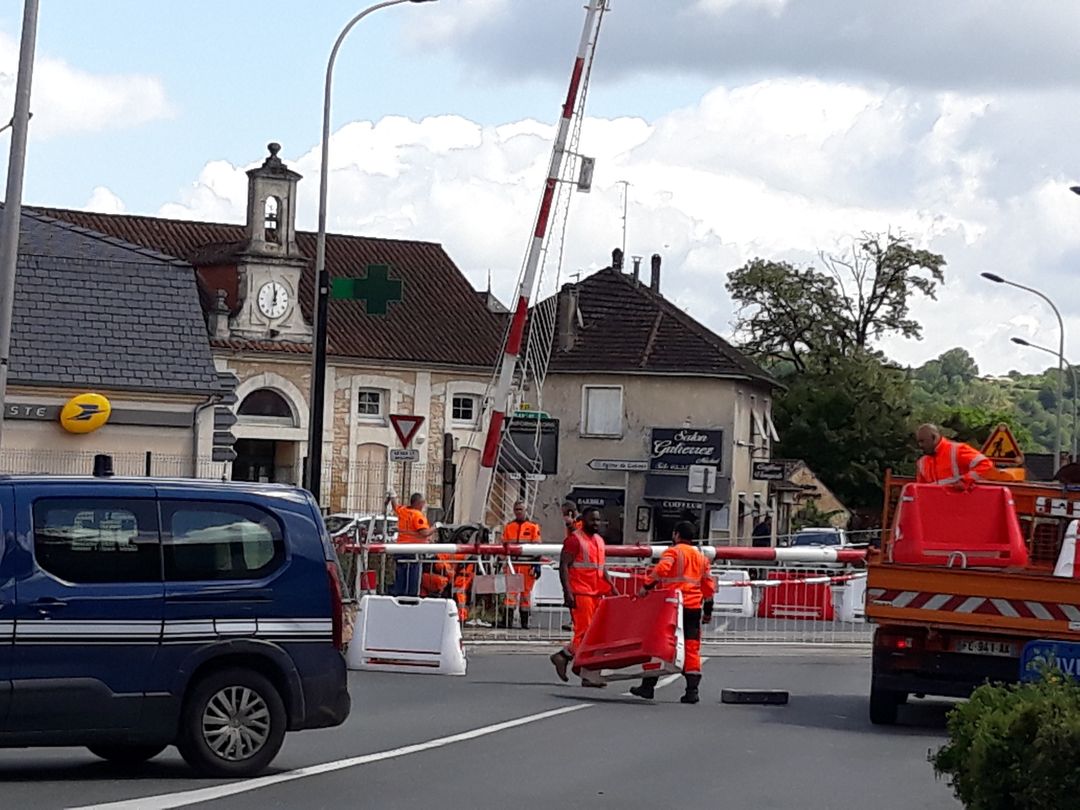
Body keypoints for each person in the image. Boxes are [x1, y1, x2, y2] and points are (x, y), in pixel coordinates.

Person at [629, 521, 715, 704]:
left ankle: (648, 686)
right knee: (691, 647)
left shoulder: (673, 552)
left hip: (672, 606)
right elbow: (708, 588)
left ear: (676, 535)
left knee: (657, 643)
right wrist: (708, 612)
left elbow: (661, 570)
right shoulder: (702, 558)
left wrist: (646, 587)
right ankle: (692, 691)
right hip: (693, 608)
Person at [549, 507, 615, 684]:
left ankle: (579, 667)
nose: (596, 523)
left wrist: (612, 587)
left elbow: (600, 567)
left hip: (596, 594)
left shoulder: (599, 541)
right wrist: (567, 592)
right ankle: (575, 663)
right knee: (586, 635)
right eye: (593, 520)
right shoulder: (574, 540)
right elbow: (564, 566)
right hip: (581, 593)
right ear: (583, 521)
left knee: (596, 635)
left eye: (598, 520)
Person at [386, 491, 441, 597]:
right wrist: (435, 527)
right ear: (418, 503)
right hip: (413, 551)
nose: (424, 505)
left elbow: (395, 506)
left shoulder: (403, 511)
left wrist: (393, 497)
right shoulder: (417, 516)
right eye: (423, 503)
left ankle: (399, 598)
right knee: (413, 579)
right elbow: (424, 533)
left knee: (400, 577)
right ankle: (411, 600)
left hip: (400, 549)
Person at [503, 500, 542, 629]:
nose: (519, 512)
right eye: (517, 509)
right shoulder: (509, 527)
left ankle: (524, 623)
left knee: (526, 594)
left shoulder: (532, 527)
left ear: (525, 510)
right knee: (510, 594)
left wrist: (536, 565)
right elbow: (503, 546)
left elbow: (537, 548)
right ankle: (508, 621)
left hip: (527, 565)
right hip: (512, 564)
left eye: (521, 509)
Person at [914, 424, 994, 488]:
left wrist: (965, 481)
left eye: (922, 441)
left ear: (934, 437)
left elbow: (985, 464)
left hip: (959, 504)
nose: (920, 445)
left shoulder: (957, 450)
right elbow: (921, 489)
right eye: (918, 442)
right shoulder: (922, 462)